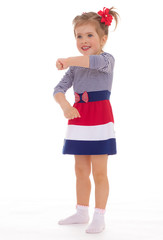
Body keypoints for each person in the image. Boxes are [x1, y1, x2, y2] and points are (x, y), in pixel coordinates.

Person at [53, 7, 120, 234]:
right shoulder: (75, 68)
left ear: (103, 38)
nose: (83, 40)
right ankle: (82, 211)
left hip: (100, 119)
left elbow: (91, 62)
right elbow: (58, 89)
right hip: (79, 119)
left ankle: (99, 215)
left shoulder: (106, 60)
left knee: (99, 171)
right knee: (80, 170)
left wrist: (67, 60)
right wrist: (66, 106)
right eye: (79, 36)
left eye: (89, 35)